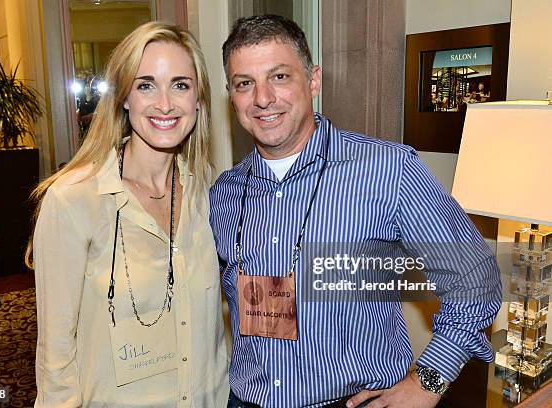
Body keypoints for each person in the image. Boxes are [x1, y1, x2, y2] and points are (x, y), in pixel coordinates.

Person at [210, 15, 501, 408]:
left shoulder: (388, 170)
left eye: (279, 77)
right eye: (245, 83)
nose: (263, 98)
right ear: (232, 94)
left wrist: (428, 381)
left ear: (313, 80)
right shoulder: (224, 194)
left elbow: (474, 280)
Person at [27, 22, 228, 407]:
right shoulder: (74, 200)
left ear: (198, 100)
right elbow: (55, 357)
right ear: (123, 97)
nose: (165, 103)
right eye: (146, 84)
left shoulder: (209, 195)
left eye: (181, 85)